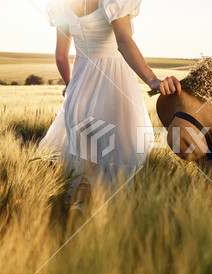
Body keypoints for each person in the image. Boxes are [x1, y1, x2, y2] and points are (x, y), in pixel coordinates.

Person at [38, 0, 181, 215]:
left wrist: (71, 86)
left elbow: (60, 56)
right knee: (122, 157)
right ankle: (117, 221)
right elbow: (123, 42)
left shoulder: (62, 5)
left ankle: (75, 223)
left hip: (79, 92)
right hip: (114, 88)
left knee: (84, 162)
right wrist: (152, 79)